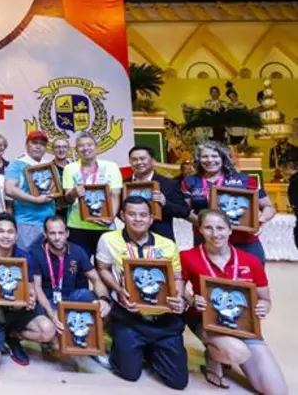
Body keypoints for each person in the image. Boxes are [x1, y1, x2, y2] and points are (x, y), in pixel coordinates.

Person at [181, 209, 287, 393]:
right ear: (200, 230)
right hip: (205, 321)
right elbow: (178, 290)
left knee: (277, 391)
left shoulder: (250, 261)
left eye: (220, 228)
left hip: (243, 326)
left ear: (230, 230)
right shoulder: (187, 257)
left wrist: (263, 307)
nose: (215, 234)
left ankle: (223, 351)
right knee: (238, 351)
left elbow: (265, 299)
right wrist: (191, 300)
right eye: (208, 228)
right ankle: (213, 356)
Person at [96, 196, 188, 390]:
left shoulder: (167, 245)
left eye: (143, 215)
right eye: (132, 214)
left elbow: (177, 277)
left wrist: (179, 298)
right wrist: (118, 290)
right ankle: (124, 343)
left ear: (151, 218)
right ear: (122, 216)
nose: (138, 219)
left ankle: (151, 349)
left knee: (178, 382)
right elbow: (103, 268)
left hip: (162, 318)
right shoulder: (108, 240)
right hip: (129, 316)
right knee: (129, 374)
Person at [0, 213, 51, 375]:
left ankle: (12, 336)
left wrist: (30, 297)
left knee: (47, 331)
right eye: (1, 231)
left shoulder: (25, 257)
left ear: (16, 235)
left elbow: (30, 287)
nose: (6, 236)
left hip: (17, 311)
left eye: (10, 232)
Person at [181, 140, 275, 264]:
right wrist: (204, 223)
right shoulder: (189, 182)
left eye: (215, 156)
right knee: (208, 276)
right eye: (205, 156)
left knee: (251, 275)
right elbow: (185, 210)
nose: (210, 160)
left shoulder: (244, 180)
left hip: (243, 240)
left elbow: (269, 207)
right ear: (198, 159)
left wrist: (260, 221)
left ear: (223, 158)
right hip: (207, 240)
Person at [30, 216, 111, 322]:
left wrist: (103, 299)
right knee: (41, 312)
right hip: (48, 300)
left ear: (67, 233)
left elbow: (96, 279)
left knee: (87, 295)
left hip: (71, 298)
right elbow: (37, 288)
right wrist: (52, 314)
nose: (57, 238)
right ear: (45, 234)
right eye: (52, 233)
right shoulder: (36, 253)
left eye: (61, 233)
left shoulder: (77, 251)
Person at [63, 132, 123, 258]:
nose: (85, 148)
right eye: (81, 146)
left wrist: (111, 217)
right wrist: (74, 192)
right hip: (77, 225)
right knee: (79, 264)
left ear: (97, 147)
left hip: (104, 226)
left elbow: (115, 195)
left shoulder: (111, 167)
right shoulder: (69, 168)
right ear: (76, 150)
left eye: (89, 145)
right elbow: (67, 198)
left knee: (104, 264)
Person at [5, 130, 57, 250]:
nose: (38, 146)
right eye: (35, 143)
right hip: (26, 222)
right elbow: (9, 189)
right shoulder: (17, 164)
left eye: (42, 144)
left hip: (48, 222)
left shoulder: (49, 165)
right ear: (27, 144)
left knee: (47, 259)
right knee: (26, 258)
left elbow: (55, 190)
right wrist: (35, 200)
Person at [127, 146, 190, 241]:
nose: (139, 162)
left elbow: (184, 211)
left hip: (162, 238)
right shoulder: (124, 184)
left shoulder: (169, 184)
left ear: (152, 161)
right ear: (130, 162)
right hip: (130, 237)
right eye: (134, 159)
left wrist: (165, 203)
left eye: (142, 158)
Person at [51, 135, 72, 220]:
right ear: (53, 150)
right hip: (53, 211)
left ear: (68, 149)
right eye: (57, 147)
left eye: (64, 147)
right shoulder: (47, 168)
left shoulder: (75, 168)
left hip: (72, 211)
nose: (61, 150)